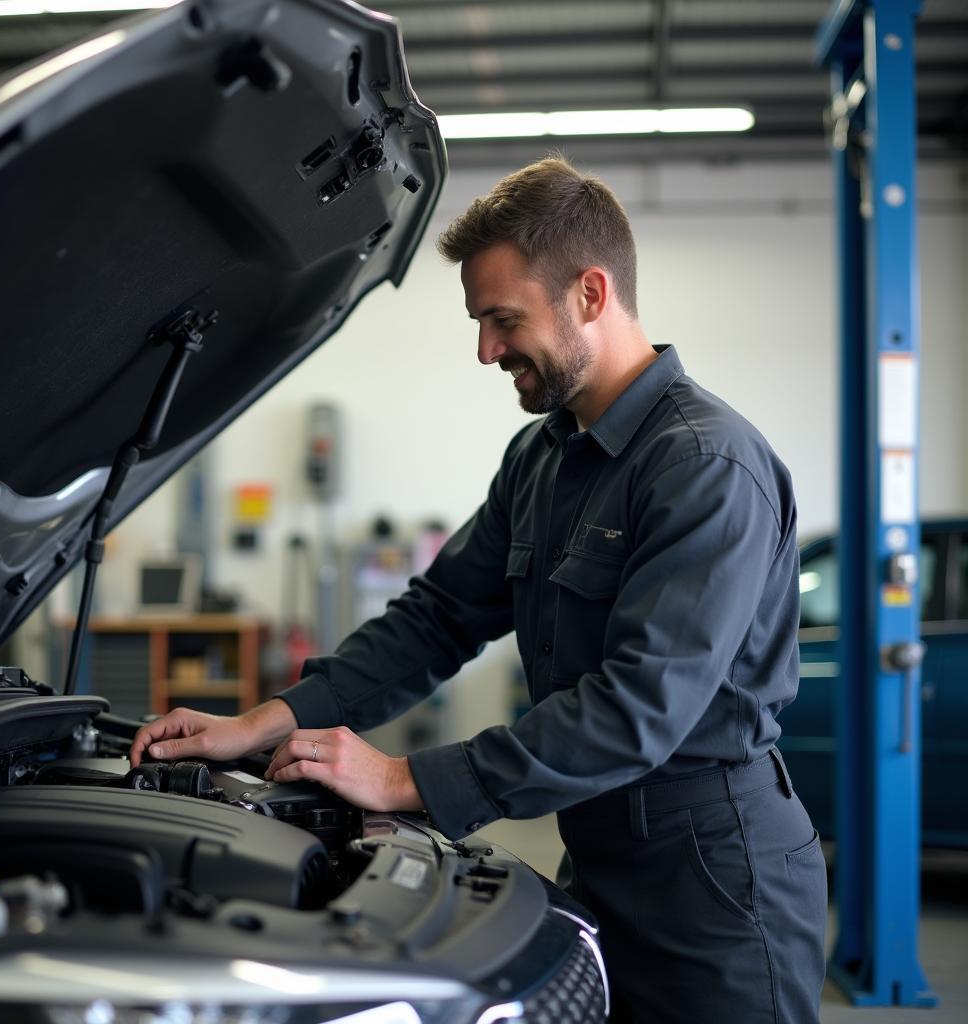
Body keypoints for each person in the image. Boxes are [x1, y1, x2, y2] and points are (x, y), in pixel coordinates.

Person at [130, 157, 827, 1023]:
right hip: (601, 852)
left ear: (590, 294)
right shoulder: (541, 459)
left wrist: (405, 778)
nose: (487, 350)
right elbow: (438, 617)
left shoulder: (705, 468)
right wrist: (269, 720)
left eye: (504, 319)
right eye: (480, 322)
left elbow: (639, 707)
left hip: (717, 881)